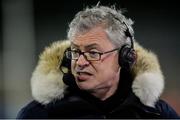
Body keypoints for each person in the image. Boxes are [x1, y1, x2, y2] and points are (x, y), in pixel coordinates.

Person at [17, 5, 179, 119]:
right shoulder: (38, 115)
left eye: (93, 52)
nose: (79, 62)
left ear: (125, 57)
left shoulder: (157, 114)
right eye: (75, 52)